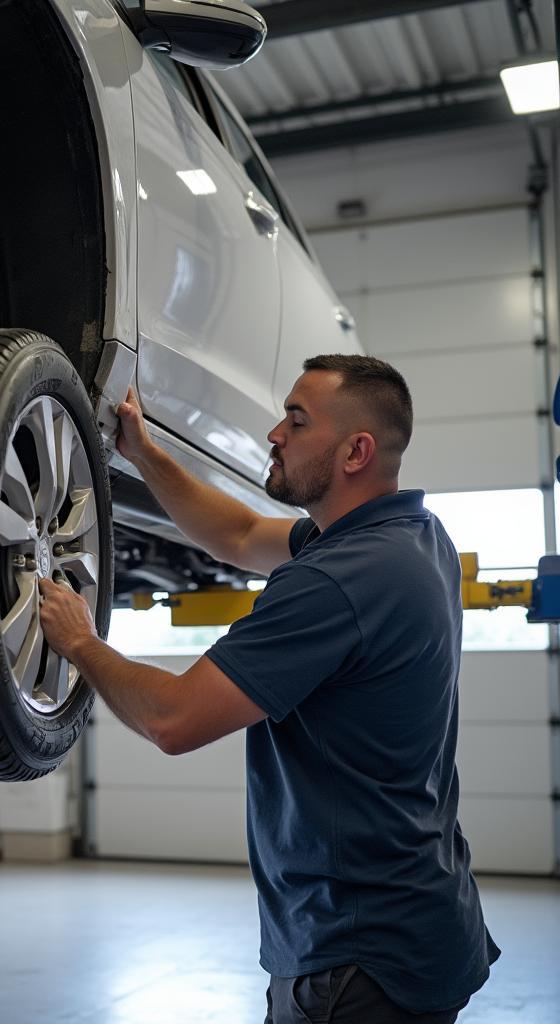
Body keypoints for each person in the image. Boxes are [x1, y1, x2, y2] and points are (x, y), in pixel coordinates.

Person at [38, 354, 500, 1024]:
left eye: (296, 420)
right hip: (421, 919)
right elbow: (241, 534)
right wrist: (142, 452)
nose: (273, 434)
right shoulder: (417, 537)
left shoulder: (338, 581)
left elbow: (173, 720)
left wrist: (82, 644)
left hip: (358, 960)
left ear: (355, 451)